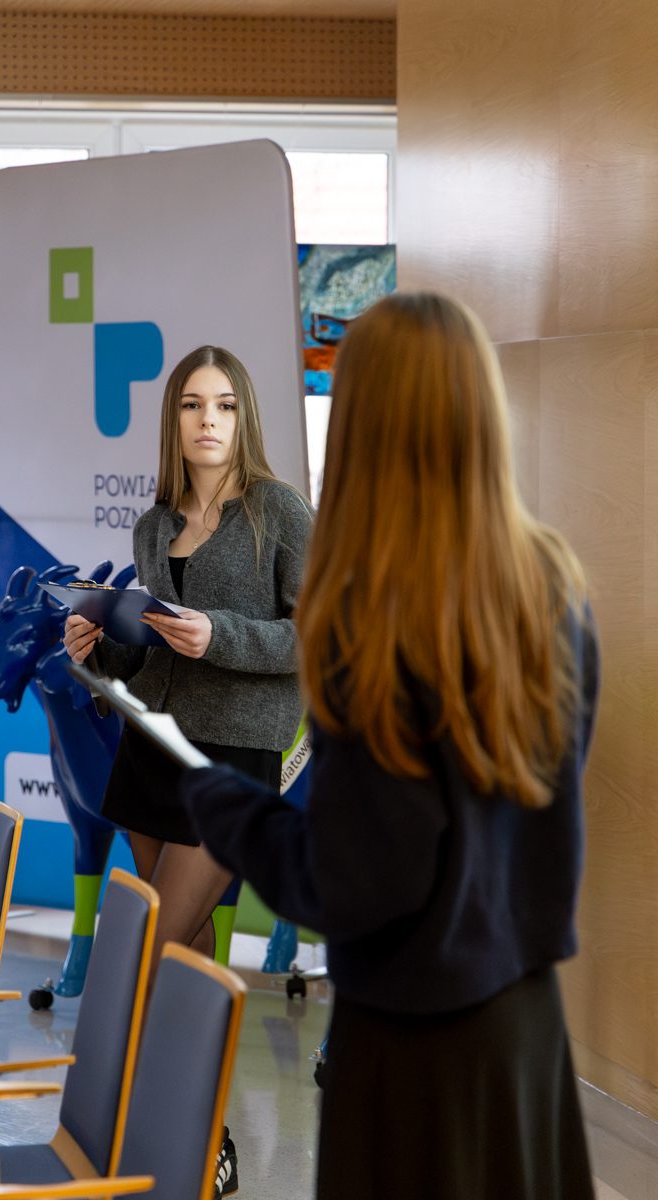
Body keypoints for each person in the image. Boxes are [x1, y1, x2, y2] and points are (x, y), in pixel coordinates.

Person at [180, 293, 600, 1200]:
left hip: (412, 1051)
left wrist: (222, 804)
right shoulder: (552, 588)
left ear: (359, 427)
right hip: (527, 1033)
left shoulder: (375, 616)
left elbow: (353, 883)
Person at [64, 344, 312, 1196]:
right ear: (173, 419)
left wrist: (222, 636)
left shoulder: (280, 512)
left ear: (244, 417)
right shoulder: (153, 522)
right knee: (191, 947)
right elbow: (149, 660)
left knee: (154, 946)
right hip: (152, 751)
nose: (209, 421)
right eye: (192, 405)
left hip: (234, 758)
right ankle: (202, 1140)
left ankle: (160, 1125)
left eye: (225, 405)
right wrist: (97, 651)